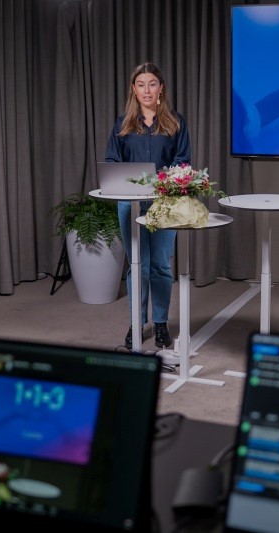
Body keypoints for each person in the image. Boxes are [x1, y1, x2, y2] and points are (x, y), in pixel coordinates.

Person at [104, 62, 191, 349]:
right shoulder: (122, 124)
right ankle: (136, 322)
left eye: (152, 84)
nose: (147, 90)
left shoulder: (176, 122)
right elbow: (112, 162)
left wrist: (163, 182)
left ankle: (161, 322)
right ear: (134, 89)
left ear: (161, 88)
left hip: (165, 203)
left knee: (161, 265)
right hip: (130, 204)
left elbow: (182, 162)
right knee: (137, 265)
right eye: (141, 85)